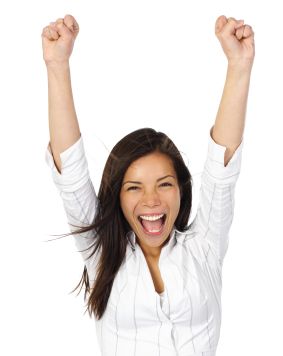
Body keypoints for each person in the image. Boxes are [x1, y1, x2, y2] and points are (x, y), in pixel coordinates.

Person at [42, 14, 254, 356]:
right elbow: (71, 177)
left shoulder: (204, 248)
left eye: (164, 184)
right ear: (118, 197)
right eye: (134, 187)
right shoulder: (101, 254)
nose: (152, 200)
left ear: (181, 190)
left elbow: (222, 173)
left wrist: (239, 64)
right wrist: (56, 65)